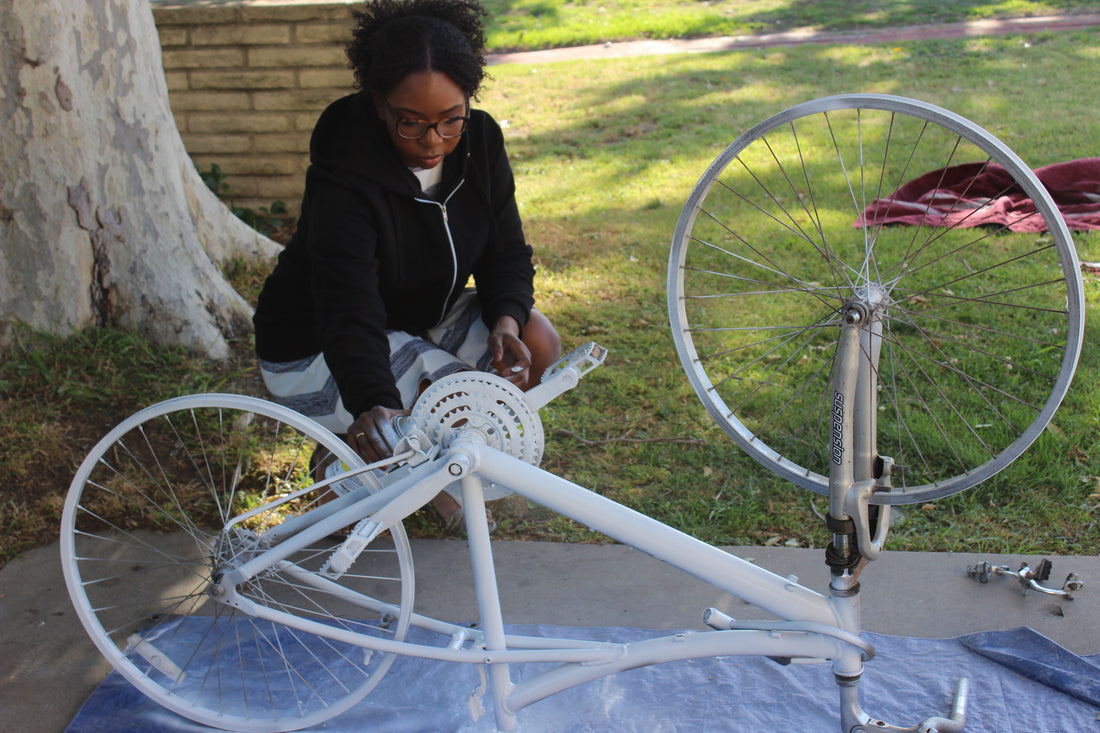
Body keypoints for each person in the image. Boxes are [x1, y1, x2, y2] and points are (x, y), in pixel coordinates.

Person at [252, 0, 560, 528]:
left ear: (469, 103)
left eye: (450, 121)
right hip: (317, 340)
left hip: (416, 313)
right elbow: (347, 306)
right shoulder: (344, 173)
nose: (433, 142)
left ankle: (399, 462)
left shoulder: (481, 140)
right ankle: (352, 460)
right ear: (378, 104)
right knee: (452, 395)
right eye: (411, 123)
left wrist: (505, 320)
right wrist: (373, 397)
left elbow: (507, 251)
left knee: (537, 340)